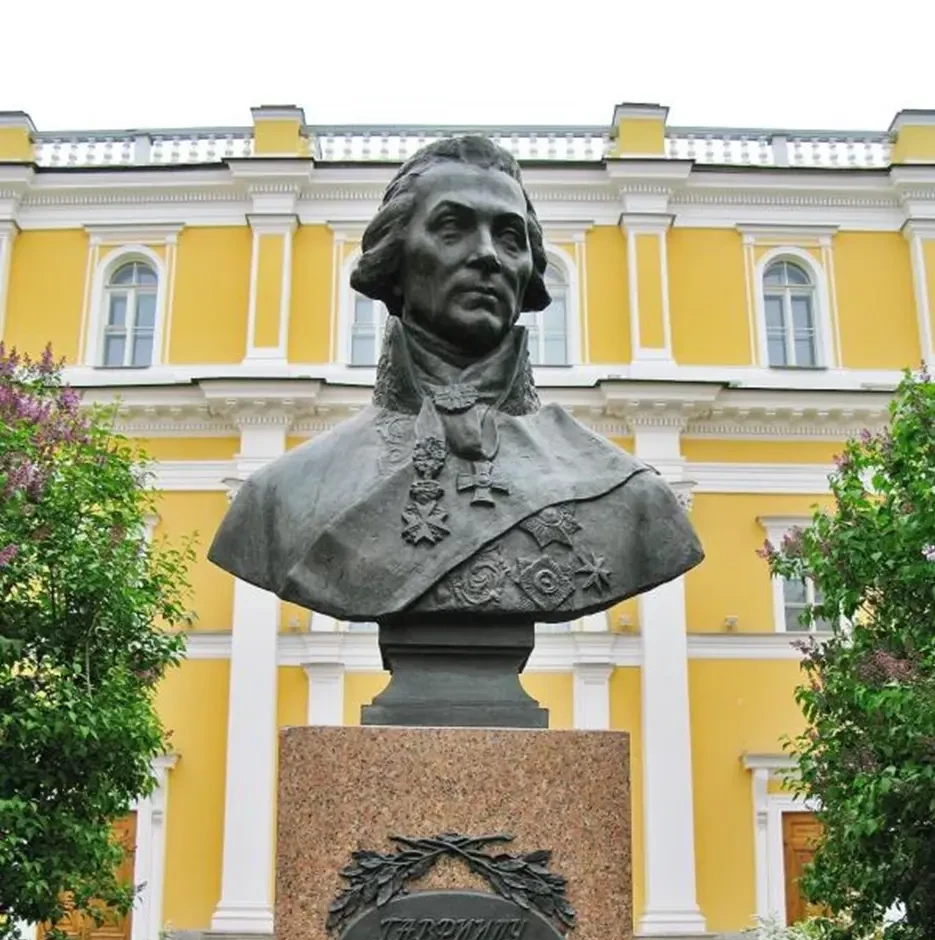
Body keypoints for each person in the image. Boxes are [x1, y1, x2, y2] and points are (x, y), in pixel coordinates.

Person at [208, 136, 702, 622]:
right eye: (451, 228)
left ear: (528, 271)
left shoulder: (635, 498)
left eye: (510, 238)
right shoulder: (278, 499)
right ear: (395, 259)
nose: (488, 255)